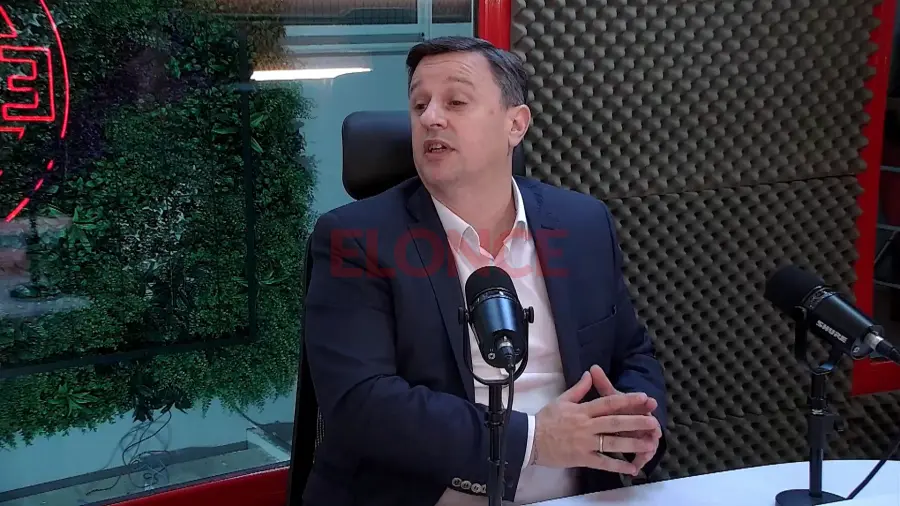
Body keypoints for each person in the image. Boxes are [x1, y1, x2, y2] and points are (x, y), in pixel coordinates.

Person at [302, 36, 668, 506]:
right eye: (419, 105)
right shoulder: (355, 238)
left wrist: (636, 421)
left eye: (455, 101)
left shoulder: (582, 223)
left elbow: (631, 352)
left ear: (516, 124)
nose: (430, 118)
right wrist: (534, 440)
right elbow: (362, 403)